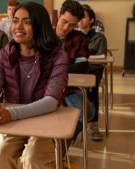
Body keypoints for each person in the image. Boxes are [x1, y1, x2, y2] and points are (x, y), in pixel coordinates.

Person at [0, 2, 68, 169]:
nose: (18, 26)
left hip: (47, 119)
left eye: (27, 22)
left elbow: (51, 101)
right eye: (15, 20)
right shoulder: (6, 53)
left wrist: (10, 114)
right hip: (14, 122)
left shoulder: (57, 55)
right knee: (1, 155)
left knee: (32, 158)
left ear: (39, 25)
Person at [55, 0, 92, 141]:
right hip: (44, 88)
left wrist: (54, 68)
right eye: (64, 21)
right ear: (59, 15)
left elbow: (82, 67)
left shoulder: (79, 39)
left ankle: (62, 145)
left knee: (86, 112)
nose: (65, 27)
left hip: (69, 87)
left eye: (72, 25)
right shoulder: (45, 37)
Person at [78, 4, 107, 141]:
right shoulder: (74, 36)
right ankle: (74, 123)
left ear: (91, 20)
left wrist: (86, 59)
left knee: (91, 88)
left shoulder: (99, 37)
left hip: (93, 71)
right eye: (78, 18)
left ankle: (93, 124)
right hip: (77, 70)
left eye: (83, 17)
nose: (80, 20)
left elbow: (102, 57)